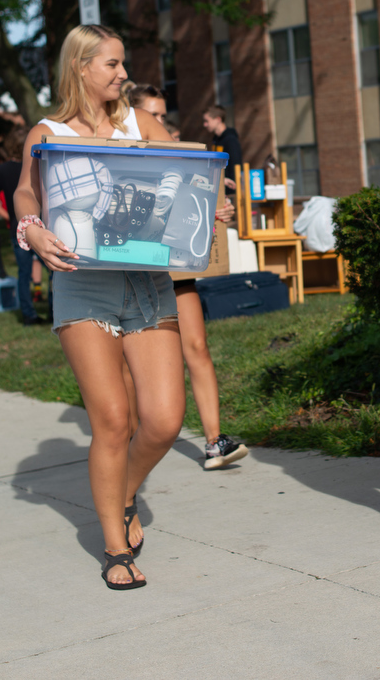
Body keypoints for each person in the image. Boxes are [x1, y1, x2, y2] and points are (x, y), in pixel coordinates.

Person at [13, 24, 186, 590]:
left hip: (146, 281)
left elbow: (187, 172)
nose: (121, 74)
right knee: (112, 420)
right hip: (83, 283)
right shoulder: (48, 131)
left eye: (121, 64)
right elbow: (26, 191)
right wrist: (32, 230)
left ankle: (124, 489)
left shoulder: (140, 122)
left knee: (162, 421)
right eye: (111, 64)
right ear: (81, 67)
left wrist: (215, 204)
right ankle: (115, 547)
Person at [126, 83, 247, 470]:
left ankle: (215, 442)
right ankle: (130, 440)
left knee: (197, 347)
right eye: (154, 115)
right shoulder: (123, 158)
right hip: (133, 272)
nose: (163, 123)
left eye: (164, 115)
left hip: (176, 269)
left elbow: (199, 202)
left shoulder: (181, 157)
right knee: (130, 365)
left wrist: (220, 211)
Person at [0, 127, 42, 326]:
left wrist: (10, 216)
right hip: (40, 225)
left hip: (17, 226)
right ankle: (55, 310)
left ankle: (28, 314)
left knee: (23, 273)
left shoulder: (4, 169)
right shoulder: (36, 165)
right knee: (54, 270)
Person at [202, 105, 242, 195]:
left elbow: (236, 166)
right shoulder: (216, 140)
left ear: (218, 119)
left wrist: (233, 191)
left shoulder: (231, 139)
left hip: (230, 190)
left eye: (206, 121)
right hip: (219, 187)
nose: (204, 125)